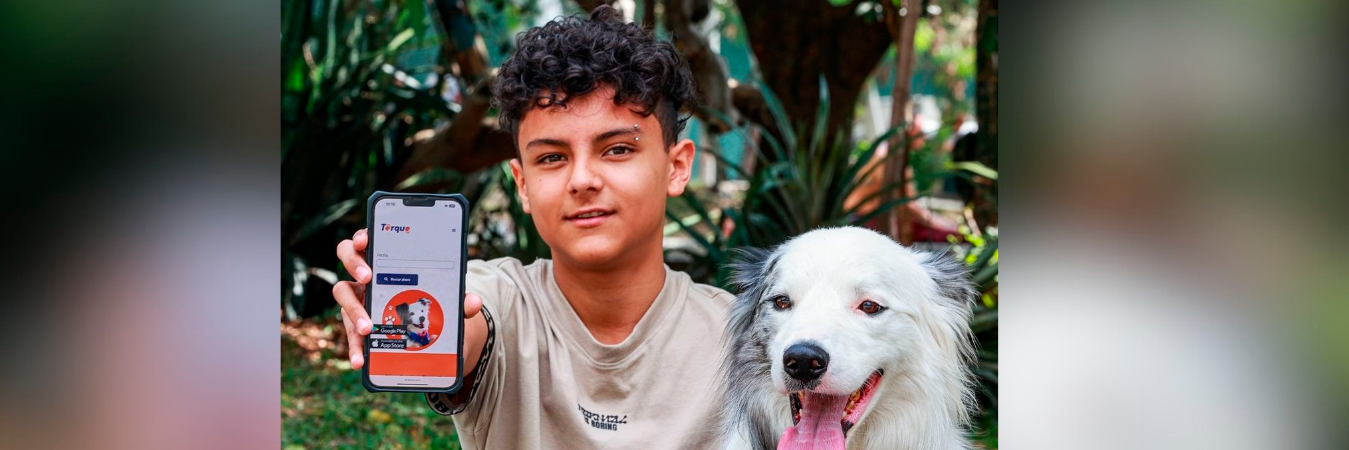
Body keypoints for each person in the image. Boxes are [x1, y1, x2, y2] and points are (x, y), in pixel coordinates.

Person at [331, 6, 733, 449]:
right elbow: (464, 327)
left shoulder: (744, 334)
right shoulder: (496, 299)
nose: (582, 180)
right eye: (551, 158)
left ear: (677, 168)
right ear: (522, 184)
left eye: (617, 149)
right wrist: (396, 310)